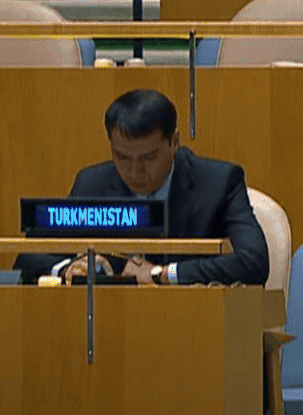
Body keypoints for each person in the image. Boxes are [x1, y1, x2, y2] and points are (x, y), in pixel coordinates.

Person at [13, 89, 268, 285]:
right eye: (122, 157)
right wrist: (70, 267)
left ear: (174, 142)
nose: (135, 172)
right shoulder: (92, 183)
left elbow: (254, 262)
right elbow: (27, 258)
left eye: (149, 158)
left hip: (193, 320)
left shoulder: (218, 182)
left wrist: (161, 274)